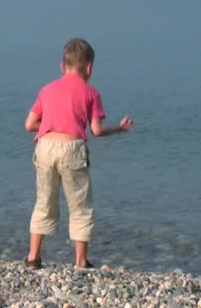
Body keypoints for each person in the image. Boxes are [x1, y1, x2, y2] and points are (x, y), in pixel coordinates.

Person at [23, 38, 134, 270]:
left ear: (62, 66)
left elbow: (29, 124)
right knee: (80, 205)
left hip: (44, 147)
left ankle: (33, 257)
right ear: (89, 68)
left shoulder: (46, 89)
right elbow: (96, 130)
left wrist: (51, 124)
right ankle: (80, 261)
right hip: (72, 149)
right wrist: (120, 129)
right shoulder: (91, 92)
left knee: (44, 201)